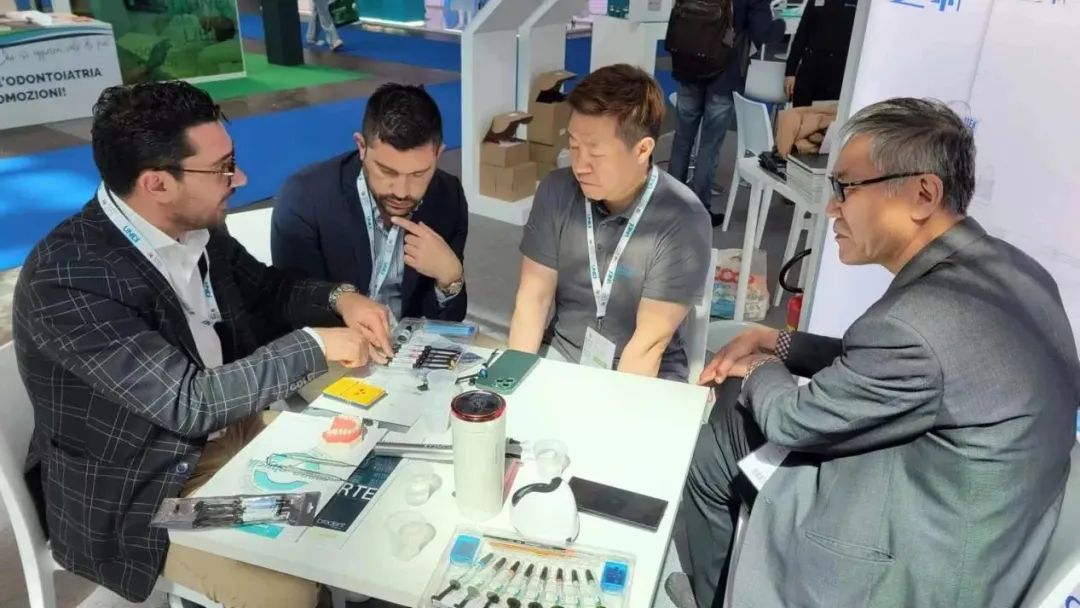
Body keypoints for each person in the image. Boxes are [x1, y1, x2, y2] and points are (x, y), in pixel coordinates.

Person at [669, 98, 1080, 607]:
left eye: (846, 187)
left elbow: (793, 421)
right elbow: (897, 371)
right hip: (975, 525)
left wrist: (758, 367)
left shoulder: (916, 323)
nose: (831, 207)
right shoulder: (1014, 272)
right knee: (741, 407)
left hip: (918, 566)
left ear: (923, 194)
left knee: (726, 430)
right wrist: (778, 341)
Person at [13, 81, 395, 608]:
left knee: (372, 486)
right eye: (223, 168)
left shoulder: (196, 226)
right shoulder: (67, 279)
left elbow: (267, 290)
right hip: (142, 492)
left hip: (234, 431)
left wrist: (340, 298)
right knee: (293, 592)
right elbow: (187, 401)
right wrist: (314, 345)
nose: (241, 179)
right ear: (156, 183)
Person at [508, 64, 712, 382]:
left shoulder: (682, 220)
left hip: (645, 374)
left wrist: (606, 409)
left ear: (642, 150)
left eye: (595, 152)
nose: (580, 165)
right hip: (563, 351)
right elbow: (533, 299)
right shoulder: (557, 190)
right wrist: (510, 385)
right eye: (574, 146)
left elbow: (647, 348)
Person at [272, 83, 468, 327]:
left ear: (438, 155)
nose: (402, 191)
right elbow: (294, 307)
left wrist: (450, 278)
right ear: (361, 147)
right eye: (387, 171)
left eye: (419, 174)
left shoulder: (448, 196)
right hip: (338, 344)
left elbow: (451, 321)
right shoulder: (306, 199)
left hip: (409, 344)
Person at [666, 0, 785, 222]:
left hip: (687, 66)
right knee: (709, 145)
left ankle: (670, 201)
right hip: (724, 74)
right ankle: (698, 210)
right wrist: (781, 24)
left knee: (682, 139)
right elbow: (763, 33)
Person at [784, 0, 857, 107]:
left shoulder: (860, 3)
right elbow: (801, 35)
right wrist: (790, 72)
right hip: (811, 63)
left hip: (839, 67)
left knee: (827, 113)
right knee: (800, 110)